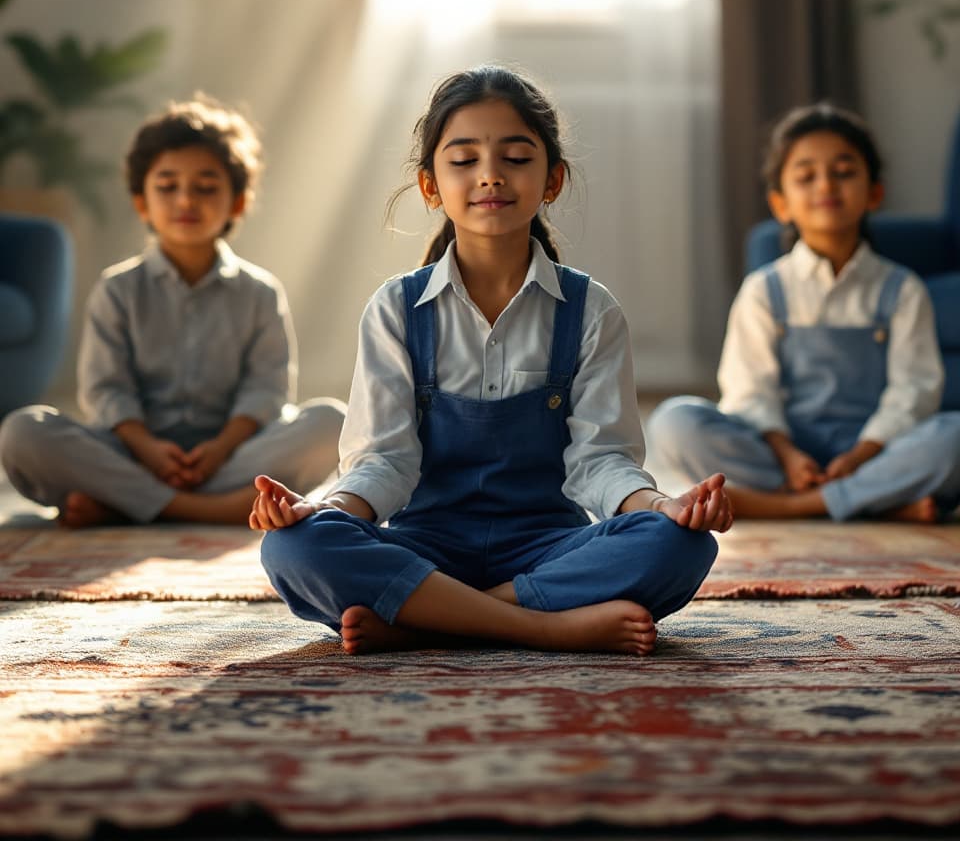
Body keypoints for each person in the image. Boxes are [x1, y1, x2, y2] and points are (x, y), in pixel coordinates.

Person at [250, 65, 732, 658]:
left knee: (680, 544)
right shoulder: (396, 308)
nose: (490, 175)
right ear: (430, 185)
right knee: (294, 546)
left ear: (552, 179)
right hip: (425, 549)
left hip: (547, 548)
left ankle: (426, 623)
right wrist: (321, 510)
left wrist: (665, 506)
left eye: (516, 157)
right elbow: (383, 462)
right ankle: (545, 626)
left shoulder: (591, 310)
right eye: (463, 159)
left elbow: (601, 462)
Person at [0, 94, 346, 526]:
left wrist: (220, 449)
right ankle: (209, 509)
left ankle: (124, 506)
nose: (185, 200)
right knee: (23, 432)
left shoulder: (260, 292)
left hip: (232, 457)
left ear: (237, 202)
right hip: (132, 454)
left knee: (332, 422)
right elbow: (106, 390)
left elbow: (267, 389)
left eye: (206, 187)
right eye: (167, 187)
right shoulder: (117, 289)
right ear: (141, 202)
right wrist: (147, 449)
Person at [648, 101, 960, 522]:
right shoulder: (764, 290)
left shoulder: (903, 290)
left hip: (875, 454)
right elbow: (749, 391)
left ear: (874, 193)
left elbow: (914, 392)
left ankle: (790, 506)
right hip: (783, 460)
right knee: (674, 422)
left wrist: (861, 455)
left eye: (843, 172)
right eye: (806, 176)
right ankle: (877, 504)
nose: (826, 185)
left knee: (954, 436)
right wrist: (788, 455)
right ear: (781, 204)